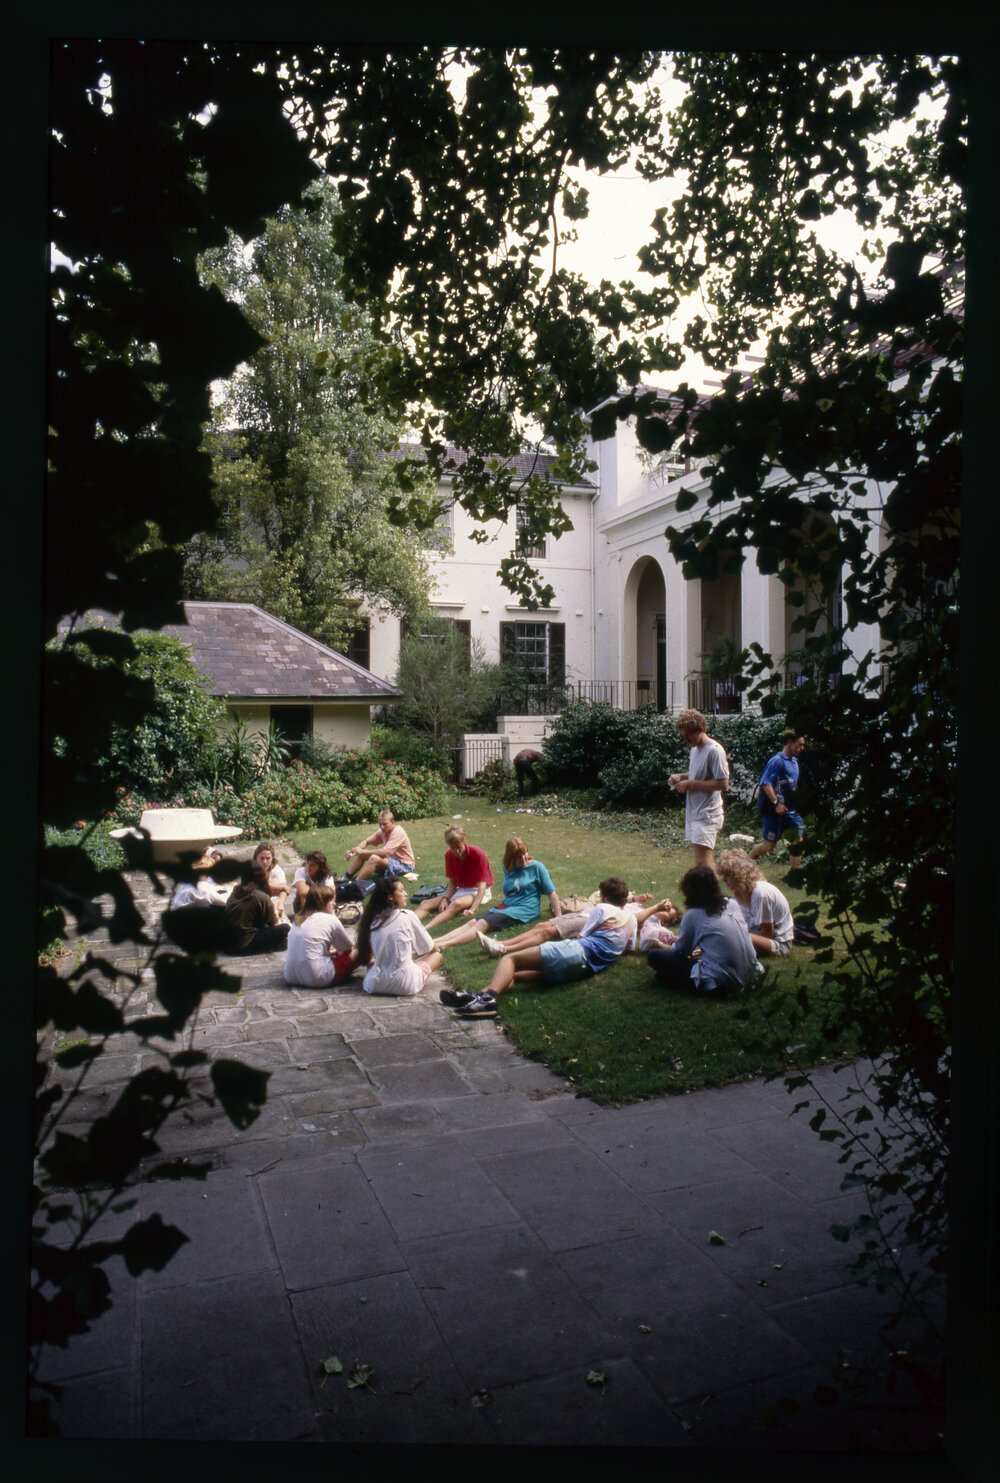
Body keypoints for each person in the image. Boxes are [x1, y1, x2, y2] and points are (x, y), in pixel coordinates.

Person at [447, 878, 637, 1017]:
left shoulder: (602, 909)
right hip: (586, 970)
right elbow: (630, 948)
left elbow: (581, 936)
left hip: (578, 952)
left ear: (603, 896)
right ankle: (477, 996)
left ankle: (489, 1001)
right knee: (510, 975)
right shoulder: (632, 920)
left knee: (510, 960)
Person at [431, 836, 562, 951]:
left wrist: (558, 919)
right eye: (518, 856)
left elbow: (552, 894)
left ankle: (445, 944)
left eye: (525, 853)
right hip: (507, 905)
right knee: (472, 922)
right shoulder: (508, 868)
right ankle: (435, 941)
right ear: (511, 858)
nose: (524, 858)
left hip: (524, 909)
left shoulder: (537, 868)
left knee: (482, 924)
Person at [645, 864, 758, 998]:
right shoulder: (731, 903)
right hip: (753, 977)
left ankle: (678, 980)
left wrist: (659, 944)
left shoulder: (694, 914)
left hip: (722, 983)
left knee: (655, 956)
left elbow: (681, 952)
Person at [475, 894, 679, 957]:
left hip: (596, 921)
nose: (663, 910)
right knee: (542, 926)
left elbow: (639, 919)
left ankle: (504, 950)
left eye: (667, 913)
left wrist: (656, 908)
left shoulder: (651, 919)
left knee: (549, 932)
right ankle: (502, 943)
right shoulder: (640, 906)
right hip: (588, 913)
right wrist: (637, 897)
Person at [354, 876, 443, 997]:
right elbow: (430, 948)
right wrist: (438, 950)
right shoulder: (408, 916)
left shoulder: (372, 919)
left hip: (374, 984)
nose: (406, 894)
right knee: (437, 956)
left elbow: (367, 953)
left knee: (377, 959)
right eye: (401, 891)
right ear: (390, 897)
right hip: (405, 984)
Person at [668, 708, 730, 870]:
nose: (685, 739)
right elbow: (698, 774)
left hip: (708, 814)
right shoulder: (694, 750)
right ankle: (711, 894)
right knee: (701, 863)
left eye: (688, 735)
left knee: (704, 863)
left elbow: (723, 783)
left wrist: (691, 784)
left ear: (701, 729)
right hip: (695, 812)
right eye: (683, 735)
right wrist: (680, 777)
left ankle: (714, 894)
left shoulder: (714, 750)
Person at [717, 849, 795, 956]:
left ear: (739, 875)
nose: (724, 880)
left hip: (777, 943)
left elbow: (768, 933)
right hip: (757, 936)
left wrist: (736, 935)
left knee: (732, 939)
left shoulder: (760, 893)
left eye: (728, 876)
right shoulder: (742, 892)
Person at [414, 825, 493, 925]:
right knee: (424, 903)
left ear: (464, 840)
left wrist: (472, 909)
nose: (457, 852)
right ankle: (406, 924)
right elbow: (452, 884)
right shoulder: (449, 855)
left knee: (457, 903)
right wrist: (444, 899)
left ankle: (426, 928)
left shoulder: (478, 854)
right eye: (453, 848)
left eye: (459, 847)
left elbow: (482, 886)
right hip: (462, 889)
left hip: (478, 890)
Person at [749, 729, 807, 867]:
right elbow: (765, 783)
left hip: (791, 810)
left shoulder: (795, 763)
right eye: (800, 744)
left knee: (797, 841)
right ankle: (745, 864)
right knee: (769, 846)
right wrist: (776, 803)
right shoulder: (777, 761)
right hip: (774, 812)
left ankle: (796, 875)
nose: (802, 748)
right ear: (789, 742)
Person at [283, 883, 357, 987]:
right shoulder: (330, 919)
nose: (334, 904)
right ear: (324, 903)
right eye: (331, 900)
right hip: (317, 977)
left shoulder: (297, 919)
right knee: (357, 953)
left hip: (291, 976)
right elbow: (347, 949)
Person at [223, 867, 291, 955]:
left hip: (228, 945)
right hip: (244, 945)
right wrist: (274, 907)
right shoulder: (261, 896)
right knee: (285, 928)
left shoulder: (236, 891)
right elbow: (273, 923)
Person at [344, 809, 415, 883]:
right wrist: (357, 849)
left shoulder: (397, 832)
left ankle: (354, 883)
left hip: (405, 865)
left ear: (392, 822)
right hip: (390, 860)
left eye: (385, 824)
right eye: (380, 824)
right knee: (363, 854)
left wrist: (361, 851)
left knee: (373, 858)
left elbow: (384, 852)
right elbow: (366, 841)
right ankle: (346, 878)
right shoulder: (383, 831)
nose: (382, 827)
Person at [252, 841, 291, 922]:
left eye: (268, 858)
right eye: (262, 858)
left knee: (275, 881)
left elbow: (285, 891)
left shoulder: (276, 870)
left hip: (274, 901)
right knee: (274, 883)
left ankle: (280, 915)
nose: (265, 862)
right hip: (256, 899)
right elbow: (260, 885)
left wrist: (281, 904)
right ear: (256, 857)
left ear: (272, 858)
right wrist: (281, 886)